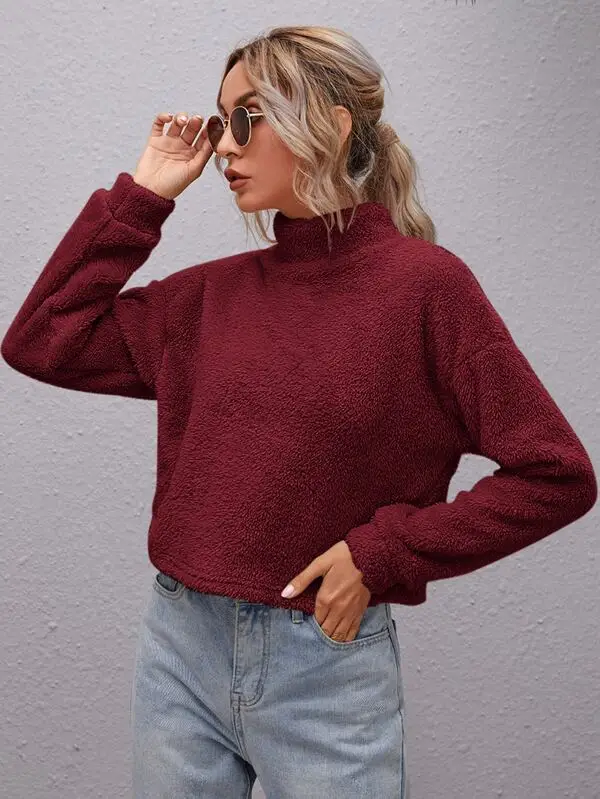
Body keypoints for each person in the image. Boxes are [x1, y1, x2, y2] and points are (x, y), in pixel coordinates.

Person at [2, 24, 596, 799]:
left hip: (325, 672)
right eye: (223, 121)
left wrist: (382, 554)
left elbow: (556, 472)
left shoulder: (427, 291)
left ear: (332, 122)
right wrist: (144, 195)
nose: (224, 145)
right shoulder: (209, 298)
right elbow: (41, 339)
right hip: (180, 650)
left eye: (247, 117)